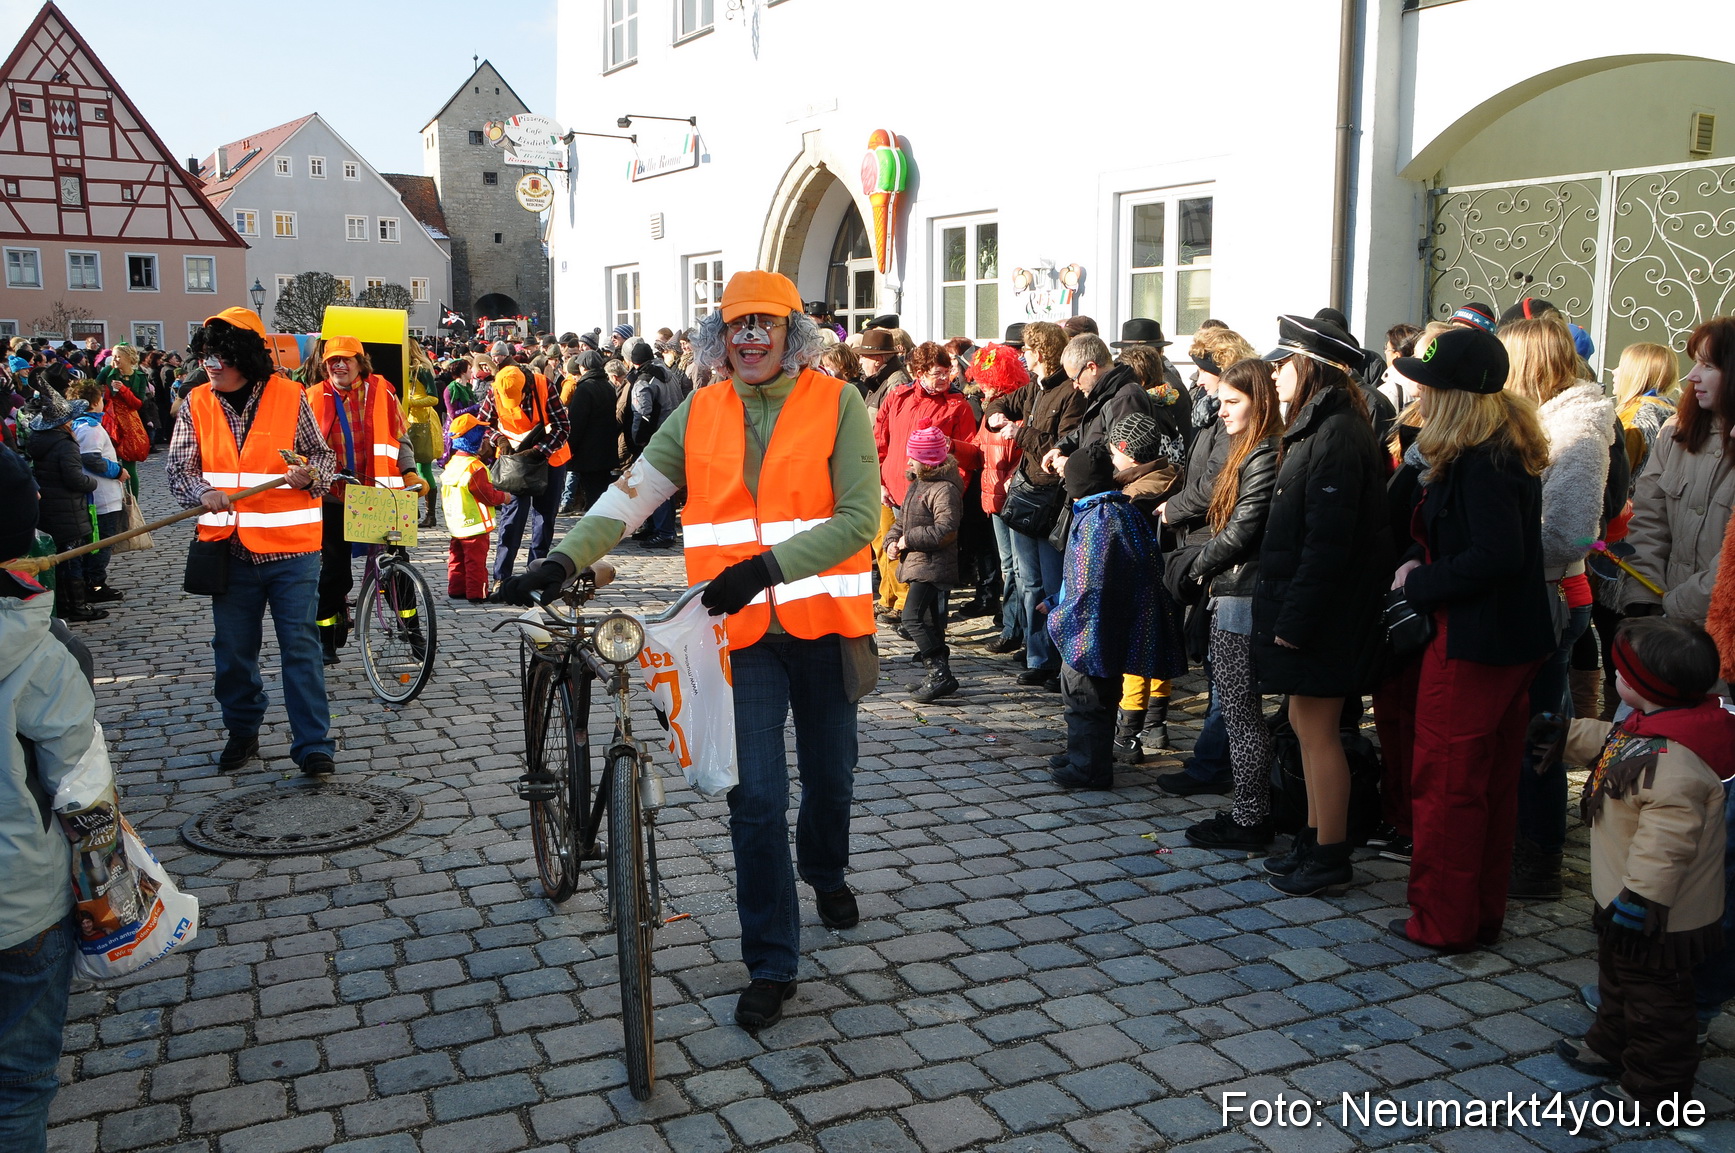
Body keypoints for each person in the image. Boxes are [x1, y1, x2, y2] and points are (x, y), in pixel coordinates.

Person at [495, 271, 877, 1031]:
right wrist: (561, 560)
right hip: (738, 637)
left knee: (831, 781)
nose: (750, 337)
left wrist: (765, 568)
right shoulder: (700, 409)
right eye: (737, 325)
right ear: (718, 339)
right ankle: (771, 959)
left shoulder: (837, 404)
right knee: (756, 798)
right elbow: (629, 496)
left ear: (792, 334)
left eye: (766, 323)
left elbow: (862, 515)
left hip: (827, 626)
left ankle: (825, 867)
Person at [1375, 327, 1555, 951]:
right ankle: (1475, 913)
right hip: (1508, 637)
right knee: (1488, 784)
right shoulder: (1492, 446)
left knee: (1450, 783)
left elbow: (1495, 555)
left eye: (1427, 386)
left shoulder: (1484, 457)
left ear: (1454, 396)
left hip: (1476, 640)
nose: (1416, 396)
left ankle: (1444, 920)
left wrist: (1421, 581)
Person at [1551, 618, 1734, 1119]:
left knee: (1658, 1003)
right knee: (1617, 982)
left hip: (1656, 912)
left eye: (1619, 672)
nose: (1613, 677)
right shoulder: (1657, 726)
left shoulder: (1675, 761)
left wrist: (1641, 899)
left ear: (1641, 686)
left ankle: (1657, 1089)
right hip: (1624, 898)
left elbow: (1668, 843)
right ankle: (1611, 1047)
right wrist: (1567, 733)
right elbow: (1620, 742)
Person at [166, 307, 337, 777]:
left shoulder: (288, 394)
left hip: (293, 552)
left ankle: (313, 746)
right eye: (206, 354)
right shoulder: (196, 401)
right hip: (229, 551)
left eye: (220, 354)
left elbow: (323, 459)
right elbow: (178, 468)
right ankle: (242, 731)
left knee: (300, 648)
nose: (211, 364)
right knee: (234, 652)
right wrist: (202, 492)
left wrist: (309, 476)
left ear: (243, 355)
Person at [1254, 314, 1392, 896]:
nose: (1275, 375)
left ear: (1310, 369)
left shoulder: (1336, 434)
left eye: (1282, 365)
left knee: (1318, 732)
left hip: (1325, 613)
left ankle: (1330, 851)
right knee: (1306, 727)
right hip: (1315, 608)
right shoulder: (1321, 428)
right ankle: (1313, 837)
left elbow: (1327, 543)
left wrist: (1296, 619)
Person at [0, 449, 103, 1153]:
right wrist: (111, 894)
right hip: (21, 904)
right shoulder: (36, 649)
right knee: (19, 1084)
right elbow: (82, 787)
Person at [1500, 315, 1615, 899]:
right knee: (1534, 727)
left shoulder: (1577, 429)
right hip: (1536, 591)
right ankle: (1528, 848)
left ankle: (1537, 860)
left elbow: (1567, 533)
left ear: (1532, 366)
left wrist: (1493, 549)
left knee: (1540, 734)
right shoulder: (1551, 420)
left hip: (1549, 594)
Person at [1176, 359, 1282, 850]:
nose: (1221, 409)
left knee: (1240, 710)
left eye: (1233, 401)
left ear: (1260, 403)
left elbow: (1243, 530)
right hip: (1235, 587)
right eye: (1222, 400)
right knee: (1239, 708)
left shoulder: (1265, 451)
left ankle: (1250, 817)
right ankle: (1251, 808)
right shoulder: (1249, 448)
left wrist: (1196, 567)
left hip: (1245, 591)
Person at [1045, 442, 1186, 789]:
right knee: (1098, 695)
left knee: (1084, 696)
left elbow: (1089, 583)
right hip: (1105, 622)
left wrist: (1062, 616)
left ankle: (1089, 769)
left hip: (1091, 626)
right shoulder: (1117, 511)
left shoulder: (1100, 519)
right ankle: (1086, 751)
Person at [304, 336, 427, 665]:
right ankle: (326, 638)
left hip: (380, 494)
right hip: (334, 496)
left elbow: (400, 437)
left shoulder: (382, 390)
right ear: (324, 364)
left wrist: (411, 472)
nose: (339, 365)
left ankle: (412, 628)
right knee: (333, 573)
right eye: (333, 361)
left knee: (397, 567)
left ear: (361, 362)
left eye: (346, 359)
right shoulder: (313, 396)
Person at [984, 321, 1084, 691]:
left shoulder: (1069, 393)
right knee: (1028, 583)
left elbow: (1063, 447)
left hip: (1052, 500)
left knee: (1054, 584)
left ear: (1040, 352)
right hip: (1025, 498)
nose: (1023, 355)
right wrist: (995, 413)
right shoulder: (1034, 388)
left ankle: (1059, 663)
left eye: (1027, 349)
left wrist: (1019, 432)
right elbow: (1002, 402)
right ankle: (1037, 656)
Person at [872, 342, 980, 620]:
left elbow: (973, 453)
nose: (944, 378)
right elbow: (879, 442)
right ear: (918, 372)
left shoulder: (958, 405)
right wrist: (879, 482)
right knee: (891, 549)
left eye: (946, 372)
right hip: (893, 490)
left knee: (928, 560)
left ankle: (923, 620)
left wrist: (951, 448)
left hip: (931, 497)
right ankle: (899, 606)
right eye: (936, 373)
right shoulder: (898, 396)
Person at [1106, 412, 1182, 761]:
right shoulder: (1171, 475)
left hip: (1144, 583)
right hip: (1171, 577)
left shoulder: (1135, 495)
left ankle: (1127, 735)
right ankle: (1156, 724)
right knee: (1161, 651)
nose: (1111, 459)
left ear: (1129, 454)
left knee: (1136, 658)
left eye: (1113, 453)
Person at [884, 423, 963, 703]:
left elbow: (946, 529)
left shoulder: (944, 489)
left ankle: (940, 673)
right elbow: (903, 521)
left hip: (933, 564)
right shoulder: (918, 483)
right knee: (928, 621)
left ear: (926, 461)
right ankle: (938, 674)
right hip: (918, 561)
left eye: (913, 457)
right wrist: (892, 541)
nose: (908, 462)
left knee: (912, 618)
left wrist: (908, 540)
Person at [481, 358, 572, 587]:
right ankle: (502, 577)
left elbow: (563, 426)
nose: (513, 403)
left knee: (544, 519)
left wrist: (538, 451)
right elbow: (482, 425)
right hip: (513, 463)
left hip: (550, 458)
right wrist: (498, 439)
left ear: (526, 387)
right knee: (513, 517)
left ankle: (536, 575)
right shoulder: (495, 391)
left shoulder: (544, 385)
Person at [967, 344, 1031, 659]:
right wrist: (947, 447)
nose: (981, 385)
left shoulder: (1021, 408)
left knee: (1021, 569)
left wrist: (1015, 477)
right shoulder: (991, 407)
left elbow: (1027, 453)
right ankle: (1011, 629)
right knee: (1009, 567)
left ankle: (1021, 633)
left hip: (1015, 497)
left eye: (986, 379)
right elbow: (979, 450)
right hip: (994, 497)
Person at [22, 379, 102, 622]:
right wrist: (93, 483)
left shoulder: (39, 440)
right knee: (72, 557)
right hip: (67, 507)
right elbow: (74, 479)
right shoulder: (65, 444)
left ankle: (65, 604)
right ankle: (77, 606)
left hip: (50, 506)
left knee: (60, 559)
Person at [1046, 333, 1155, 473]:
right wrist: (1061, 447)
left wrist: (1072, 465)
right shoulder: (1105, 392)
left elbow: (1126, 460)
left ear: (1091, 367)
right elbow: (1090, 430)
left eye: (1074, 378)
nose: (1074, 385)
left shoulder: (1125, 399)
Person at [65, 380, 127, 605]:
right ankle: (95, 583)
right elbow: (91, 458)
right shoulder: (90, 427)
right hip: (102, 496)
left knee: (99, 541)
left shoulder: (82, 425)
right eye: (101, 399)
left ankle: (92, 580)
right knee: (101, 542)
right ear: (94, 402)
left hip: (99, 495)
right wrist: (117, 470)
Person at [440, 415, 510, 603]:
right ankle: (476, 593)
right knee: (475, 562)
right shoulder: (475, 468)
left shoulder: (452, 463)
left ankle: (455, 588)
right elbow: (487, 495)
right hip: (475, 525)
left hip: (457, 523)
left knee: (456, 558)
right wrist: (505, 497)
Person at [628, 342, 685, 547]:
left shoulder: (644, 381)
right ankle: (655, 527)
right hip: (673, 432)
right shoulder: (666, 371)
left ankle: (664, 531)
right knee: (657, 484)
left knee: (655, 485)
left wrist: (638, 439)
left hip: (655, 437)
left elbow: (643, 414)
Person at [563, 351, 621, 514]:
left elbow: (577, 422)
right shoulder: (607, 386)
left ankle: (598, 529)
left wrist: (570, 448)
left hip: (588, 452)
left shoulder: (585, 388)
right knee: (602, 492)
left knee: (594, 495)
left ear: (583, 367)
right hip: (606, 448)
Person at [94, 344, 150, 492]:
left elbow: (137, 403)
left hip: (129, 422)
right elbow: (93, 387)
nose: (115, 359)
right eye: (114, 356)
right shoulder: (108, 371)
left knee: (129, 464)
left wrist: (123, 390)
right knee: (108, 459)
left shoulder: (139, 376)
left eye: (118, 356)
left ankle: (132, 502)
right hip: (109, 419)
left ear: (128, 358)